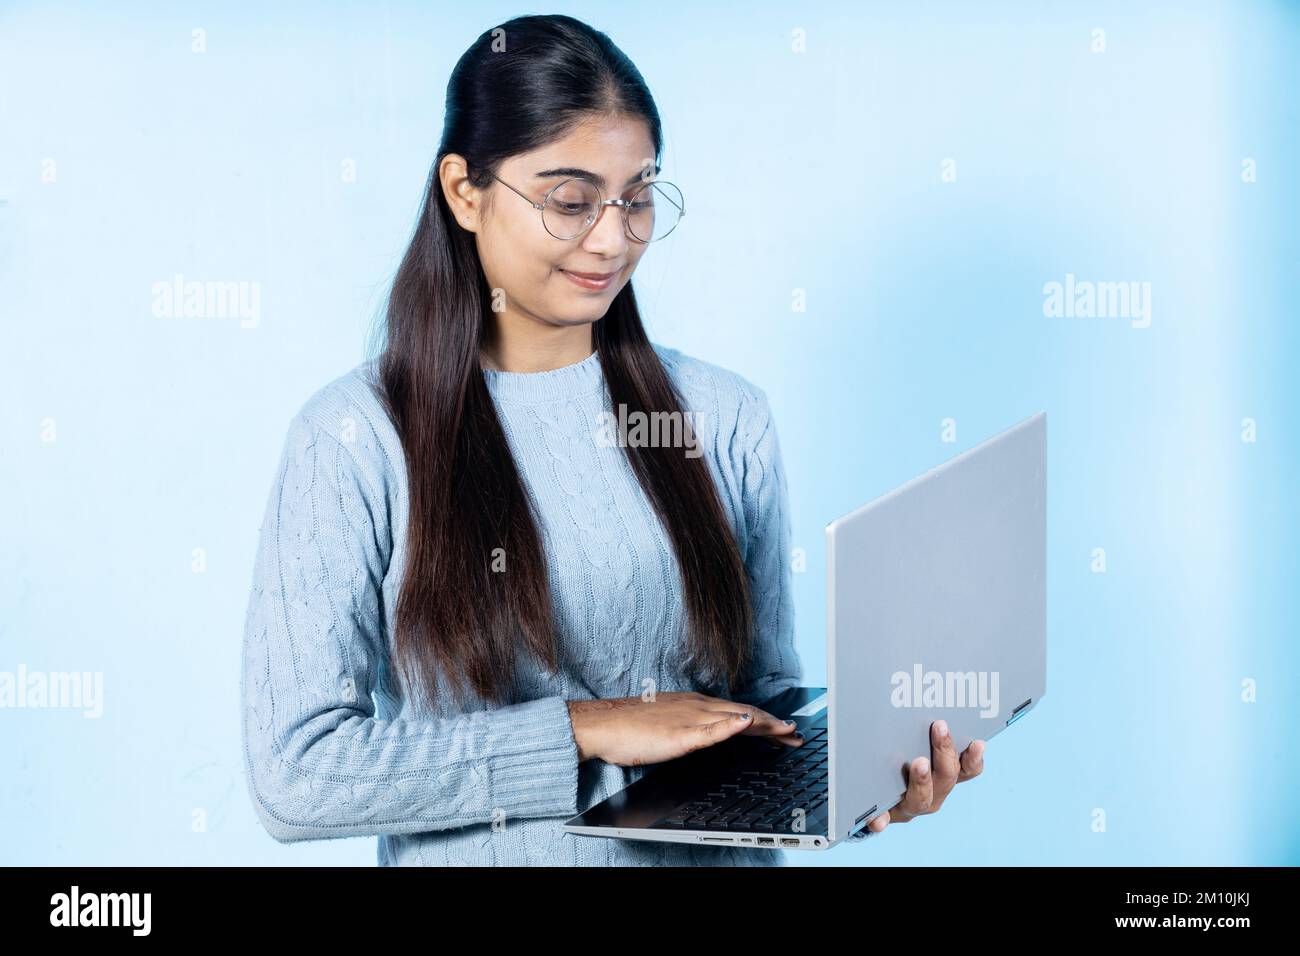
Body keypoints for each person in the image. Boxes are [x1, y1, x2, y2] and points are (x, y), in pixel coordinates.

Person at [239, 12, 983, 867]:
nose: (612, 237)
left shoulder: (722, 416)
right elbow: (297, 775)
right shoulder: (353, 440)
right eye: (570, 200)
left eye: (636, 197)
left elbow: (761, 704)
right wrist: (586, 731)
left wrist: (865, 771)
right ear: (463, 192)